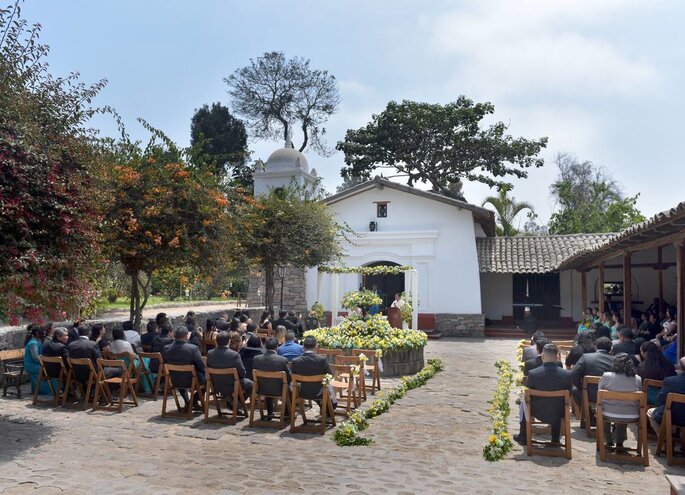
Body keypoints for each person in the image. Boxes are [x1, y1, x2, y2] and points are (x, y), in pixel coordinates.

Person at [515, 343, 572, 446]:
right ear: (557, 357)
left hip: (537, 411)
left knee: (524, 402)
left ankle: (523, 437)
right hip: (559, 412)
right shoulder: (566, 374)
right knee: (556, 404)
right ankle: (555, 439)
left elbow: (528, 395)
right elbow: (569, 394)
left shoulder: (533, 374)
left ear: (542, 356)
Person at [598, 353, 642, 451]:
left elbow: (599, 394)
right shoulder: (637, 379)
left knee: (601, 407)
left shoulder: (606, 376)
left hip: (608, 413)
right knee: (625, 407)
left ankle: (608, 439)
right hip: (631, 415)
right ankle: (619, 442)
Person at [163, 327, 206, 410]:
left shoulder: (166, 348)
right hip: (191, 380)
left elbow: (165, 363)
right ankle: (192, 401)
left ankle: (187, 401)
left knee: (179, 373)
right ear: (186, 336)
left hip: (173, 379)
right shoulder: (193, 348)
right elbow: (201, 365)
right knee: (208, 380)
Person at [291, 335, 336, 408]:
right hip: (319, 392)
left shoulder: (295, 361)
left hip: (301, 392)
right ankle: (328, 407)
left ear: (303, 347)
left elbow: (293, 378)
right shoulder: (322, 360)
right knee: (328, 385)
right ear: (316, 347)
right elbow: (330, 376)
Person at [570, 336, 615, 409]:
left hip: (589, 394)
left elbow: (574, 374)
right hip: (609, 395)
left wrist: (581, 386)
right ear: (610, 349)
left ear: (596, 346)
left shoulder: (586, 357)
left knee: (575, 390)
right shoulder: (615, 360)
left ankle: (587, 414)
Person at [252, 337, 291, 418]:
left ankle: (270, 412)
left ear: (265, 346)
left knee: (268, 382)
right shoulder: (282, 360)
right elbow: (289, 378)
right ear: (277, 347)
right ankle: (287, 413)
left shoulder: (256, 359)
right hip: (279, 390)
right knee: (290, 388)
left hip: (261, 389)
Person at [206, 331, 252, 398]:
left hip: (215, 385)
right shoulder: (234, 355)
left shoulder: (210, 353)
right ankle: (236, 402)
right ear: (229, 341)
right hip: (232, 386)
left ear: (216, 341)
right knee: (251, 384)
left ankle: (230, 399)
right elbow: (242, 373)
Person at [648, 357, 685, 435]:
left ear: (680, 367)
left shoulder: (670, 381)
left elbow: (662, 400)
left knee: (650, 412)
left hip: (673, 417)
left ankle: (665, 439)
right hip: (678, 417)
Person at [24, 325, 50, 395]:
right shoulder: (33, 343)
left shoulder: (38, 341)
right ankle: (46, 390)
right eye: (42, 333)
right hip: (31, 365)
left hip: (36, 363)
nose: (43, 334)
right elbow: (35, 357)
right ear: (37, 333)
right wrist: (44, 362)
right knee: (48, 369)